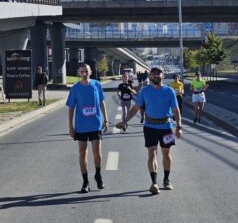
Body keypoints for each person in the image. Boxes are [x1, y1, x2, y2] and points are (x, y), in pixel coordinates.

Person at [116, 66, 182, 195]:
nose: (156, 75)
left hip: (166, 126)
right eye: (154, 74)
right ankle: (154, 182)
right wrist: (124, 121)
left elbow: (176, 110)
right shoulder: (145, 91)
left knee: (166, 154)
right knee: (152, 153)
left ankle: (167, 179)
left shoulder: (169, 91)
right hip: (150, 126)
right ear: (150, 76)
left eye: (159, 74)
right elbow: (135, 108)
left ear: (163, 76)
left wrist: (179, 127)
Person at [66, 63, 109, 193]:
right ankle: (85, 182)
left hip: (95, 124)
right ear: (79, 73)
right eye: (82, 72)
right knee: (83, 152)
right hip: (81, 126)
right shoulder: (75, 88)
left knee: (97, 151)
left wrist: (106, 119)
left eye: (86, 71)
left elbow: (102, 102)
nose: (85, 74)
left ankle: (98, 174)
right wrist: (70, 127)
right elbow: (71, 107)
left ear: (90, 72)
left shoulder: (97, 85)